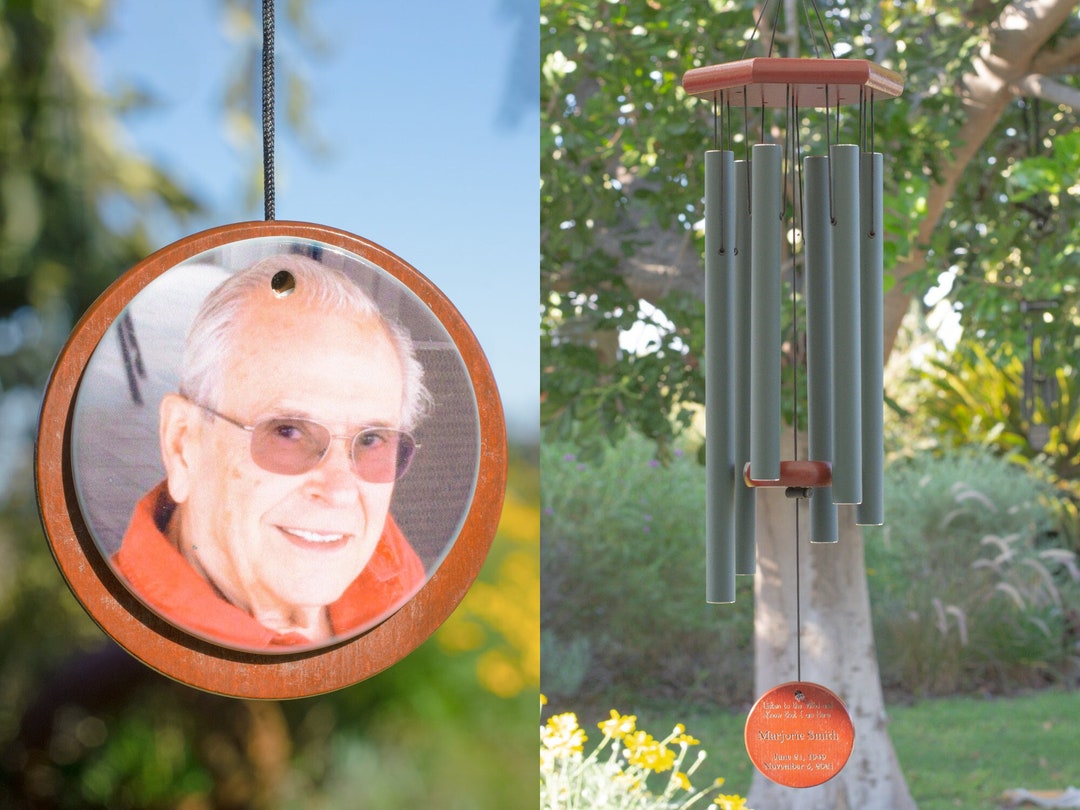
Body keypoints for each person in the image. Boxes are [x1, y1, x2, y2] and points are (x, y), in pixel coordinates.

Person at [112, 253, 431, 651]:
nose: (340, 492)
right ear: (183, 444)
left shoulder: (402, 581)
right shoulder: (113, 643)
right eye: (287, 432)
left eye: (370, 440)